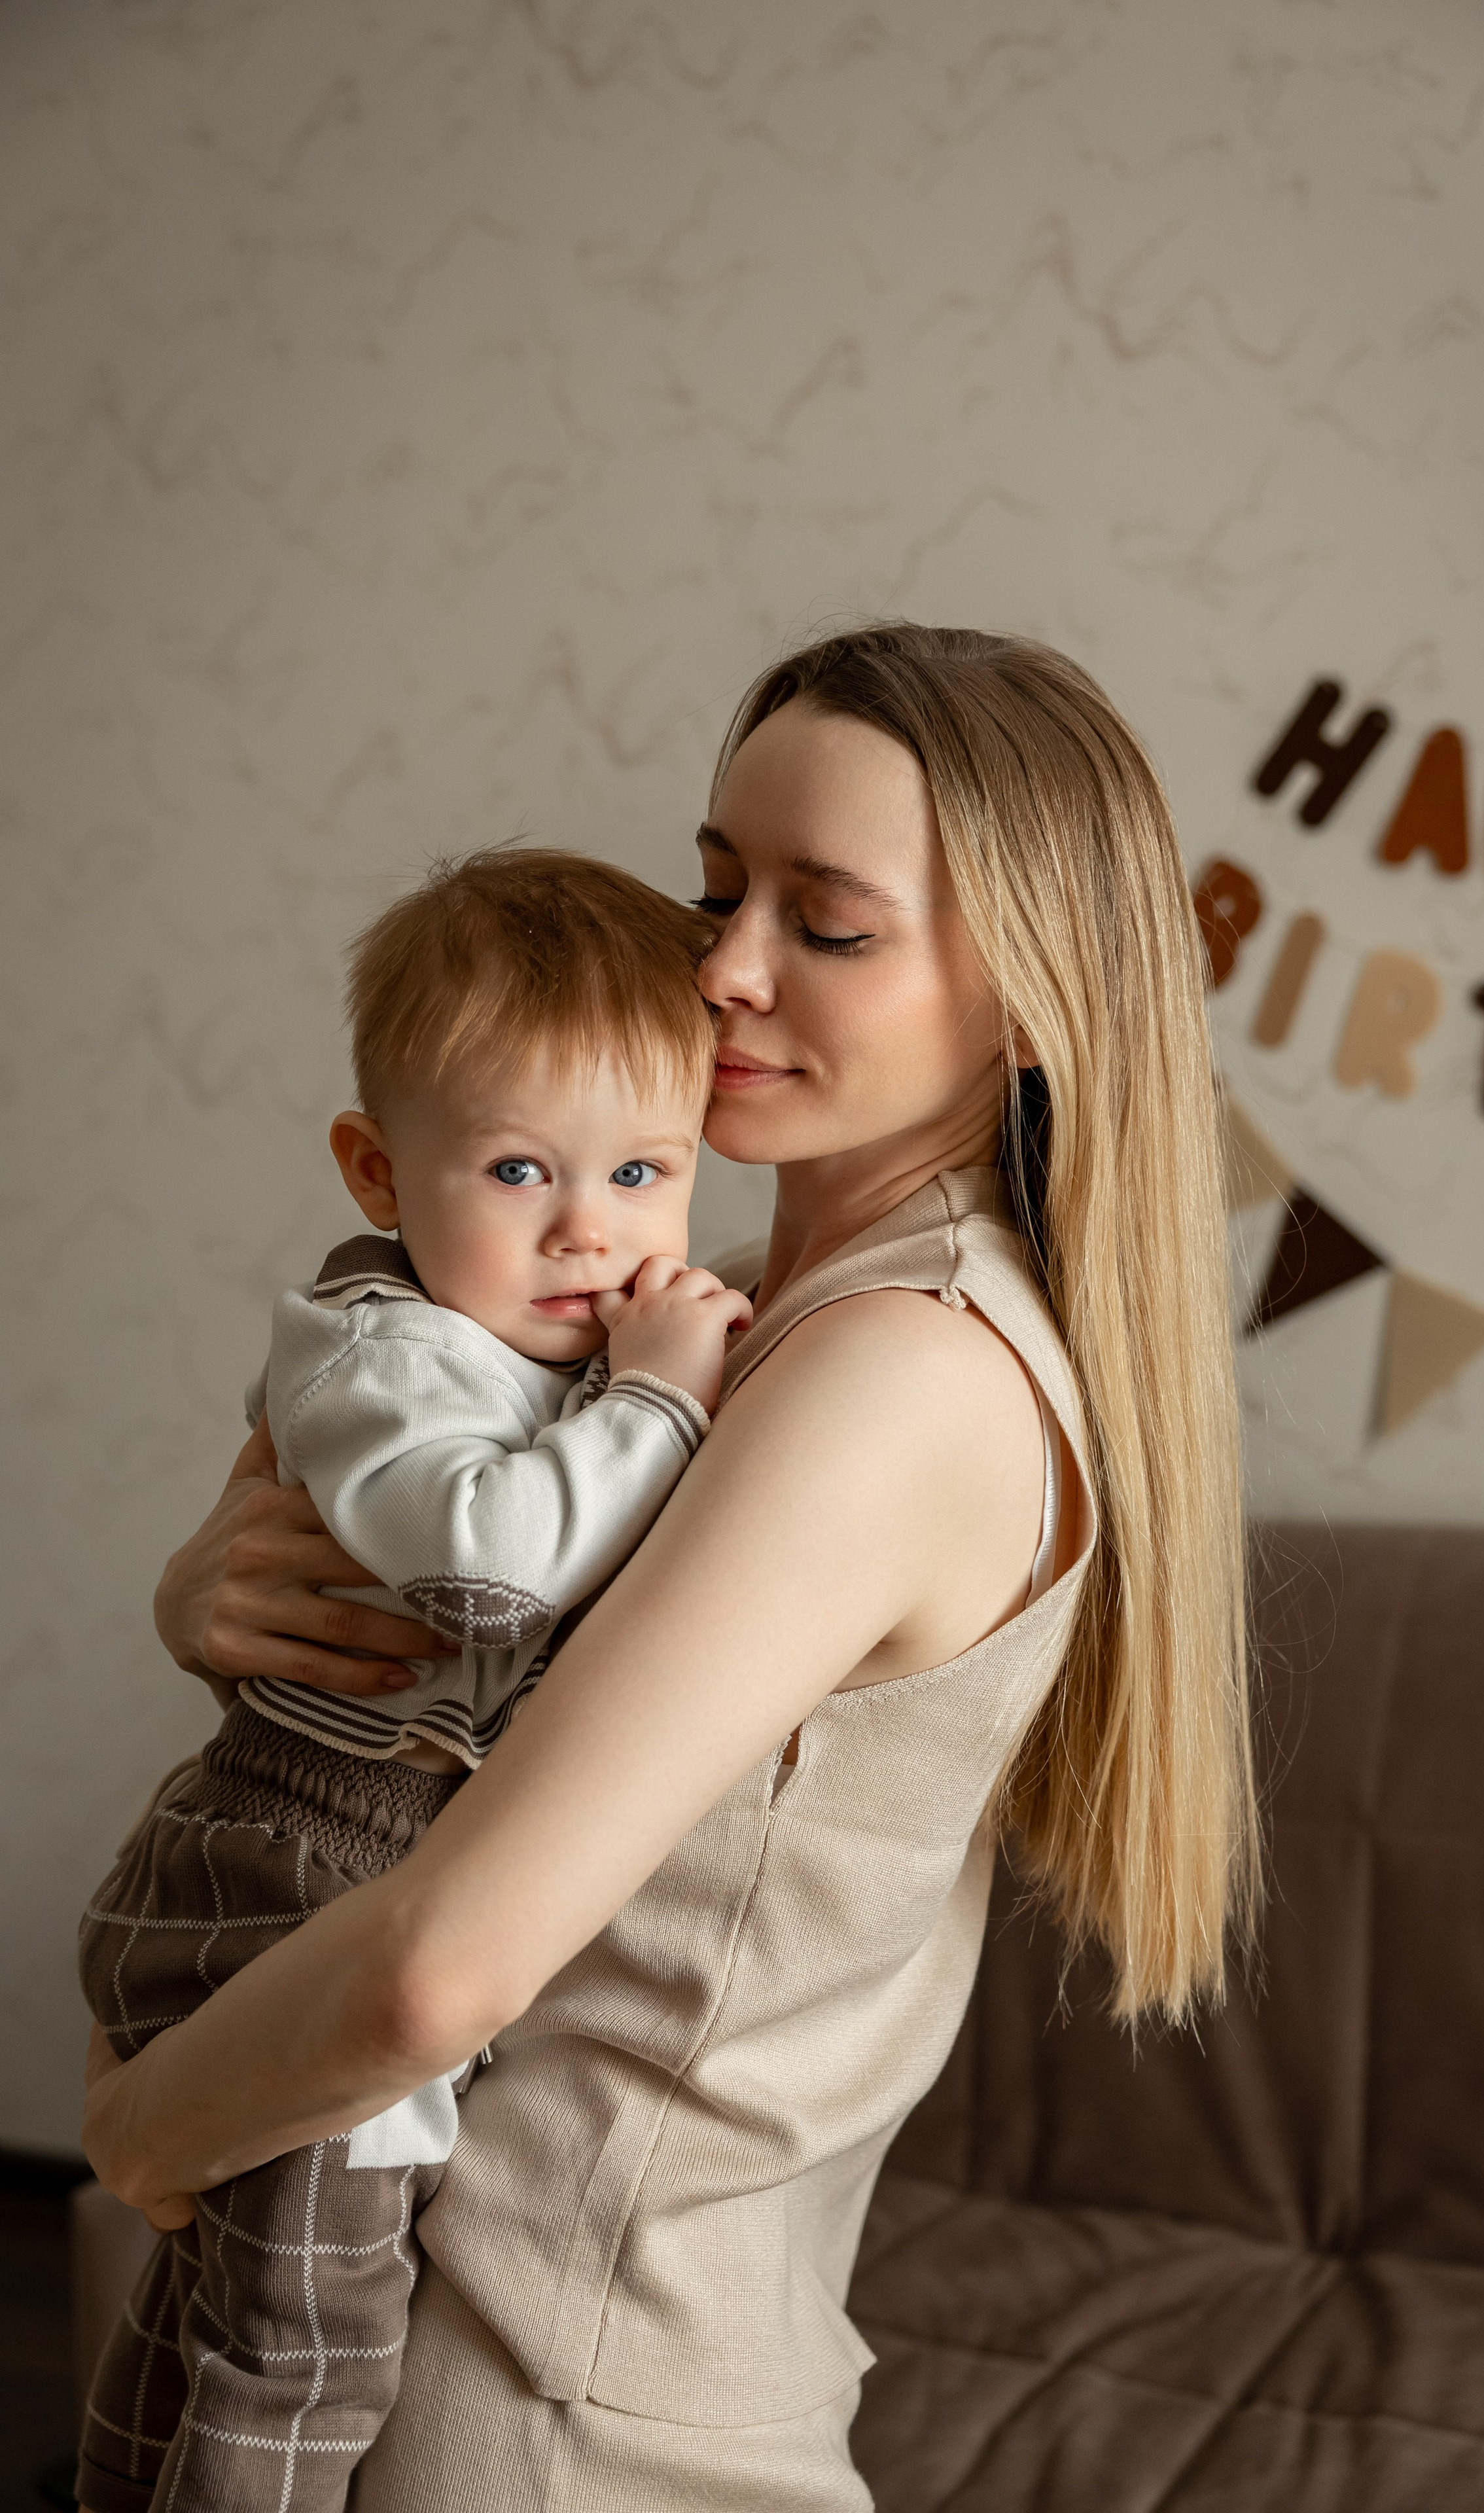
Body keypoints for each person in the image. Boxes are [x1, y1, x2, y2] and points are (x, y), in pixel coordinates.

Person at [83, 622, 1257, 2512]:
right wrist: (212, 1604)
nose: (720, 969)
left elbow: (443, 1967)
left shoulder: (890, 1375)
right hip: (557, 2348)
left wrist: (142, 2135)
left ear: (1033, 995)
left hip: (541, 2412)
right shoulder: (737, 1312)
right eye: (716, 889)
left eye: (829, 922)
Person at [75, 849, 750, 2513]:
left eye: (645, 1172)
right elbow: (486, 1568)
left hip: (347, 1863)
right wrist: (661, 1404)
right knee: (309, 2338)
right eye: (518, 1169)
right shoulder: (392, 1358)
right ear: (380, 1168)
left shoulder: (548, 1341)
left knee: (210, 2302)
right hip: (298, 1875)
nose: (591, 1230)